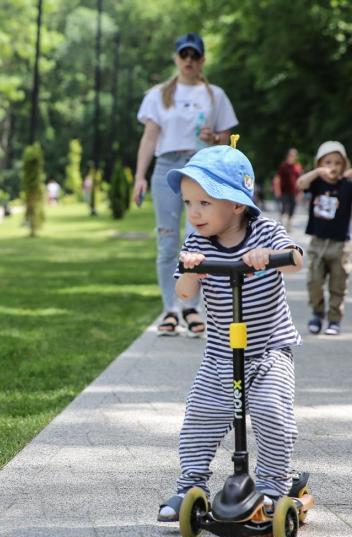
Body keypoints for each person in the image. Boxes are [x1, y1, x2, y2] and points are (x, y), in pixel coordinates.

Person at [156, 144, 304, 522]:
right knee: (199, 417)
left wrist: (268, 257)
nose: (193, 213)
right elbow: (185, 294)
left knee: (273, 412)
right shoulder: (197, 244)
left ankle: (272, 487)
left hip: (270, 351)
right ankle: (190, 486)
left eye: (204, 203)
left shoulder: (264, 230)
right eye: (189, 203)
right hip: (221, 355)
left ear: (236, 204)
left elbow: (296, 259)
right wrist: (192, 269)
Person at [132, 32, 239, 337]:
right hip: (166, 168)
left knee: (197, 243)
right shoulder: (158, 95)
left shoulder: (215, 95)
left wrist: (214, 138)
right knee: (167, 243)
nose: (189, 60)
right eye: (184, 55)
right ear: (176, 58)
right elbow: (149, 138)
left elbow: (229, 140)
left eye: (195, 55)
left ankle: (191, 307)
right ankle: (169, 310)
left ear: (202, 59)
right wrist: (140, 176)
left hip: (201, 171)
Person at [297, 141, 352, 336]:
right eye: (328, 162)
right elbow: (300, 184)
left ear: (344, 165)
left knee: (338, 283)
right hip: (318, 241)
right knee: (314, 280)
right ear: (319, 163)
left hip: (340, 243)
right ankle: (317, 313)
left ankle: (334, 319)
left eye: (337, 163)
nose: (333, 166)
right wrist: (317, 172)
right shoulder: (316, 183)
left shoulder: (348, 186)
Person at [275, 148, 302, 231]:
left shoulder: (297, 167)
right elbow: (278, 178)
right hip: (284, 191)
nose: (292, 157)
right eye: (291, 155)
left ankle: (289, 225)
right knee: (284, 207)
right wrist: (277, 190)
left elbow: (300, 180)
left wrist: (300, 192)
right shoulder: (283, 166)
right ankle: (280, 224)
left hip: (294, 191)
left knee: (292, 208)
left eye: (294, 155)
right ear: (288, 156)